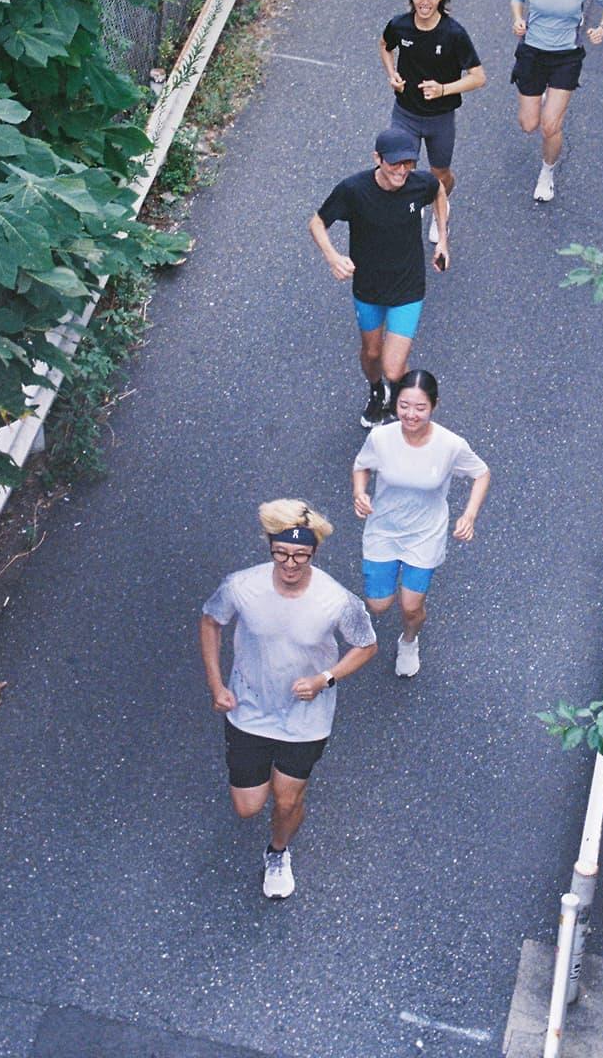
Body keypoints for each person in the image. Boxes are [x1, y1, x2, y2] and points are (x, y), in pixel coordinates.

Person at [200, 500, 377, 899]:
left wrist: (324, 678)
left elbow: (366, 645)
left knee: (285, 800)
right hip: (248, 712)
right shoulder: (241, 587)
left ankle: (278, 852)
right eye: (281, 553)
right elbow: (211, 621)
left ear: (314, 553)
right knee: (247, 808)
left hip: (305, 719)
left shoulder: (336, 599)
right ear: (269, 546)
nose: (291, 563)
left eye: (301, 555)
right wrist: (216, 685)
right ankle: (282, 794)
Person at [309, 126, 449, 429]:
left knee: (394, 366)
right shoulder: (353, 190)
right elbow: (317, 223)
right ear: (378, 158)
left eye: (408, 163)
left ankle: (404, 408)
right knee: (372, 354)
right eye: (395, 163)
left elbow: (438, 190)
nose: (402, 170)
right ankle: (376, 392)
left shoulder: (419, 184)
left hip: (408, 287)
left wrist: (443, 240)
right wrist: (333, 257)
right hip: (369, 288)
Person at [353, 370, 490, 679]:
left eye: (420, 408)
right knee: (378, 605)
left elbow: (481, 473)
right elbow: (361, 467)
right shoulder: (381, 438)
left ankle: (409, 641)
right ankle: (400, 619)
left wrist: (469, 514)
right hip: (384, 530)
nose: (410, 415)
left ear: (434, 406)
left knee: (411, 607)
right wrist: (359, 492)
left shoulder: (450, 445)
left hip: (425, 535)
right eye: (403, 406)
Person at [511, 0, 603, 203]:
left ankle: (547, 172)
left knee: (550, 126)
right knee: (528, 125)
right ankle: (544, 95)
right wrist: (518, 19)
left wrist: (602, 28)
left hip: (565, 57)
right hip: (532, 52)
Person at [380, 0, 486, 246]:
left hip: (440, 117)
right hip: (405, 112)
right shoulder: (399, 25)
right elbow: (384, 46)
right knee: (398, 168)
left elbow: (478, 77)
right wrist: (392, 74)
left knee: (440, 175)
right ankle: (404, 219)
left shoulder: (453, 34)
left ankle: (441, 204)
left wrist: (443, 90)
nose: (424, 2)